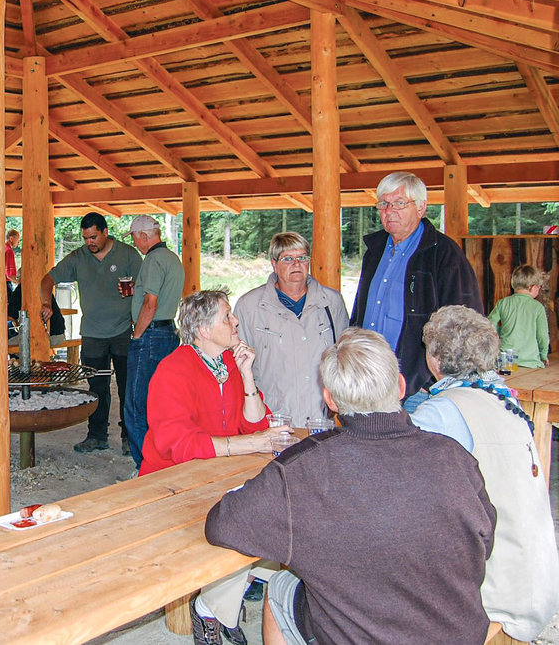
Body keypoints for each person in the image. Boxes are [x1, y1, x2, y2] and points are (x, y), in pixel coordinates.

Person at [205, 328, 496, 645]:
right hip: (459, 634)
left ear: (330, 399)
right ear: (400, 386)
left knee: (280, 586)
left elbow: (221, 525)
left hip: (364, 635)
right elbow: (485, 541)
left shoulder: (302, 470)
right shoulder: (455, 456)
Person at [139, 289, 280, 645]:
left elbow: (255, 424)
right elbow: (181, 445)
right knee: (243, 525)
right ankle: (212, 609)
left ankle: (221, 606)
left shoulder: (231, 363)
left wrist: (247, 377)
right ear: (202, 330)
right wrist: (247, 445)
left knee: (278, 518)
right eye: (227, 317)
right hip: (170, 484)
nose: (235, 322)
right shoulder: (172, 371)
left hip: (217, 476)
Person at [411, 306, 559, 641]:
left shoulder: (442, 412)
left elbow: (401, 487)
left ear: (434, 357)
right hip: (533, 577)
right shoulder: (504, 400)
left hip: (495, 594)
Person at [351, 171, 482, 411]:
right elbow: (360, 310)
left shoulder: (443, 254)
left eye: (400, 203)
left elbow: (466, 323)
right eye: (383, 204)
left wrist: (431, 379)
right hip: (368, 380)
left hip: (415, 390)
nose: (389, 210)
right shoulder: (375, 251)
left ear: (421, 208)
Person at [41, 212, 142, 454]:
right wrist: (46, 303)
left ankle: (130, 438)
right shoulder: (79, 257)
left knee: (128, 387)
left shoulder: (128, 254)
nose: (90, 243)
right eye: (86, 238)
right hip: (93, 334)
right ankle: (97, 435)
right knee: (97, 387)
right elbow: (47, 279)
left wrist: (134, 294)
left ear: (106, 232)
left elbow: (147, 288)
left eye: (94, 237)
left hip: (124, 332)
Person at [233, 232, 349, 426]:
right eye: (287, 258)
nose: (296, 264)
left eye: (302, 258)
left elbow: (345, 357)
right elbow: (238, 367)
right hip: (271, 419)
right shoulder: (249, 306)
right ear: (273, 263)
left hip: (320, 419)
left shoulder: (331, 302)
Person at [124, 215, 184, 467]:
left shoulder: (153, 259)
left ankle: (143, 465)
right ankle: (162, 459)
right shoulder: (172, 258)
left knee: (137, 404)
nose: (136, 243)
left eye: (136, 238)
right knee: (162, 401)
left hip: (150, 336)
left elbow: (150, 304)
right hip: (168, 331)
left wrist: (137, 334)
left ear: (145, 236)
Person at [487, 264, 549, 369]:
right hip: (530, 361)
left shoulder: (503, 303)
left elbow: (489, 325)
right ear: (532, 287)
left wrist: (500, 332)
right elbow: (542, 335)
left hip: (506, 362)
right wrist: (543, 355)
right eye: (538, 288)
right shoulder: (537, 307)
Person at [8, 269, 65, 347]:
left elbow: (11, 313)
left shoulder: (22, 288)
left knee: (7, 345)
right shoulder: (43, 288)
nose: (16, 281)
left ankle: (20, 359)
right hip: (60, 335)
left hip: (45, 337)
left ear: (22, 277)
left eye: (17, 278)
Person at [5, 229, 20, 293]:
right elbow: (9, 275)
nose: (18, 242)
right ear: (11, 238)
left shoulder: (4, 248)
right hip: (6, 283)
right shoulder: (9, 251)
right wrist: (18, 282)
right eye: (17, 240)